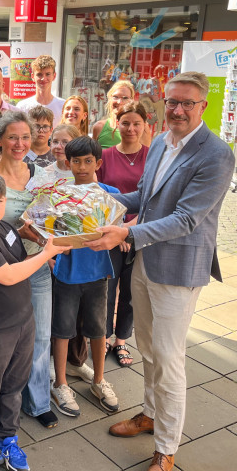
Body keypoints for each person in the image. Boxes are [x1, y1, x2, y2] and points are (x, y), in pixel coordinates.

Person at [86, 72, 235, 471]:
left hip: (178, 270)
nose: (178, 110)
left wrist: (127, 234)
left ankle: (166, 449)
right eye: (172, 101)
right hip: (147, 264)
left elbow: (187, 218)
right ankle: (150, 415)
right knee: (148, 349)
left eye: (187, 103)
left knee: (169, 362)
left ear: (202, 106)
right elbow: (145, 201)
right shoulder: (159, 145)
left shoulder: (216, 154)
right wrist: (97, 194)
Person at [0, 172, 70, 471]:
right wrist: (46, 252)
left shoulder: (4, 226)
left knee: (13, 385)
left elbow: (10, 238)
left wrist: (28, 234)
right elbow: (8, 275)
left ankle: (8, 436)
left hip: (22, 321)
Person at [0, 110, 58, 429]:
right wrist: (21, 230)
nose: (19, 143)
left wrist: (52, 241)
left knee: (42, 335)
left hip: (38, 267)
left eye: (25, 137)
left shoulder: (42, 176)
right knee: (3, 339)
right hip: (3, 270)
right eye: (13, 137)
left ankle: (38, 401)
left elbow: (53, 218)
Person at [50, 136, 120, 418]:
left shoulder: (110, 193)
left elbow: (119, 227)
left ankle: (99, 380)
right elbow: (50, 230)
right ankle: (61, 383)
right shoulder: (58, 193)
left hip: (98, 273)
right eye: (75, 161)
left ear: (98, 163)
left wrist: (123, 238)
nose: (81, 166)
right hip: (67, 273)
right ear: (67, 164)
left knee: (99, 328)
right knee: (63, 328)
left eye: (87, 161)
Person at [96, 101, 149, 367]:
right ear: (116, 124)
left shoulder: (152, 157)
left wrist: (130, 231)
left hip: (139, 232)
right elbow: (100, 196)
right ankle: (104, 336)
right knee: (108, 287)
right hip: (109, 231)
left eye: (136, 123)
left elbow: (151, 199)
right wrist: (117, 229)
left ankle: (122, 339)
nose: (130, 128)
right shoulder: (105, 156)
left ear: (144, 125)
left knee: (130, 290)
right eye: (125, 122)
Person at [92, 80, 153, 149]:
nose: (119, 102)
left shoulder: (141, 127)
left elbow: (145, 156)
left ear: (131, 100)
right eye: (115, 97)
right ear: (109, 98)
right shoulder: (98, 127)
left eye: (125, 98)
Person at [16, 55, 65, 126]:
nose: (43, 79)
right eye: (39, 74)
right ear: (32, 77)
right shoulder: (22, 107)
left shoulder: (62, 106)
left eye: (47, 74)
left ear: (54, 76)